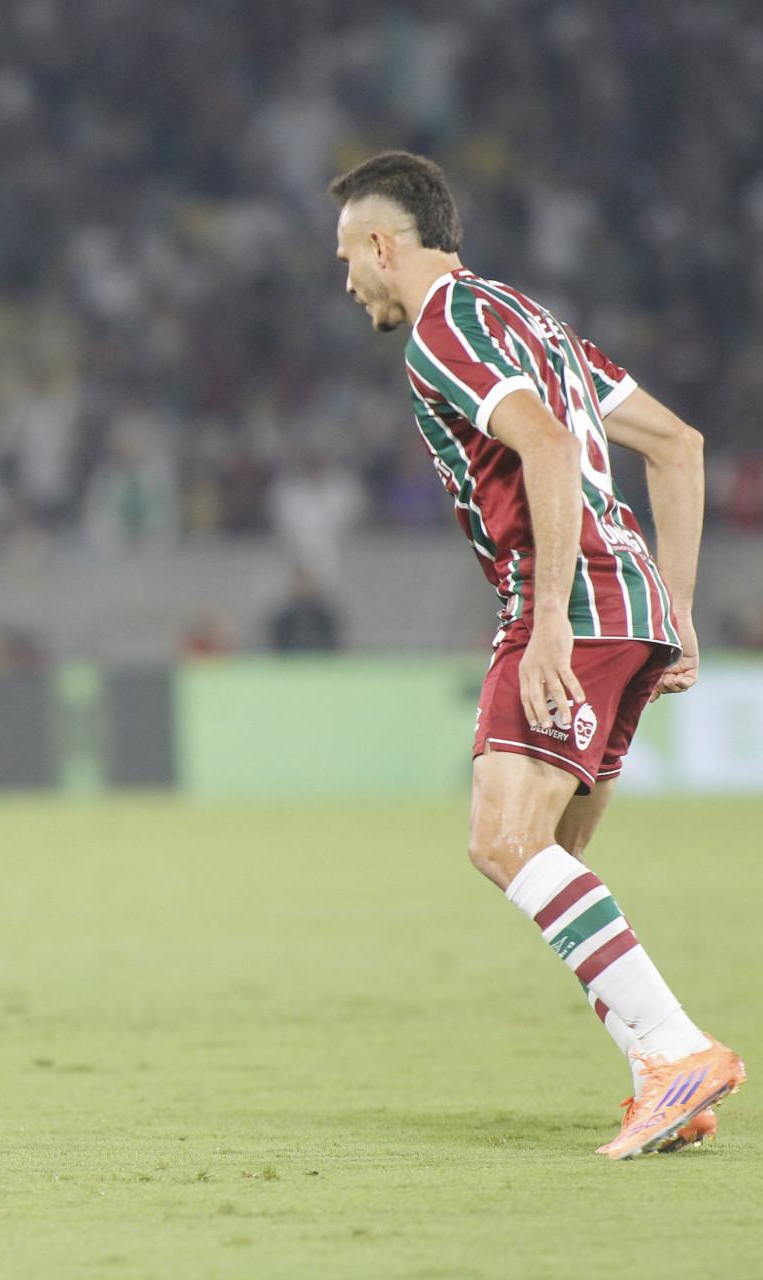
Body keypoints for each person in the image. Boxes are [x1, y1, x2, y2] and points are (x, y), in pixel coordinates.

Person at [330, 151, 742, 1159]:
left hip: (572, 598)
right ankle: (666, 1076)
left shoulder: (442, 328)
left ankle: (679, 1050)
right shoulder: (528, 318)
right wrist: (677, 607)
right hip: (629, 598)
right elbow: (679, 442)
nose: (346, 281)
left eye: (347, 255)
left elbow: (549, 449)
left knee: (505, 840)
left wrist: (550, 617)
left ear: (387, 244)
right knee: (550, 856)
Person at [268, 565, 342, 653]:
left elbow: (333, 639)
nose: (302, 585)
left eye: (305, 581)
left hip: (320, 661)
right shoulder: (284, 615)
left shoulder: (323, 613)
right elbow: (276, 641)